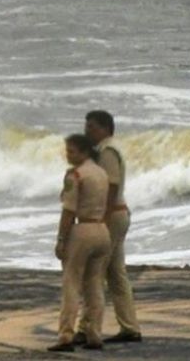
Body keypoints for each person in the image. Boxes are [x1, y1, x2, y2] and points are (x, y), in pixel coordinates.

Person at [78, 109, 142, 345]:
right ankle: (129, 326)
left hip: (112, 216)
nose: (87, 131)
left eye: (92, 127)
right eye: (86, 126)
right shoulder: (108, 149)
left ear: (106, 128)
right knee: (116, 273)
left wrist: (101, 220)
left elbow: (111, 186)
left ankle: (86, 328)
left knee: (94, 272)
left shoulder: (107, 151)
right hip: (118, 214)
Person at [48, 133, 111, 352]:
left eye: (71, 151)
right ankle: (94, 333)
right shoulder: (102, 173)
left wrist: (61, 239)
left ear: (83, 152)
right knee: (95, 284)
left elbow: (68, 211)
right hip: (102, 230)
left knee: (72, 284)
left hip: (82, 229)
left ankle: (66, 335)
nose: (68, 155)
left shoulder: (76, 175)